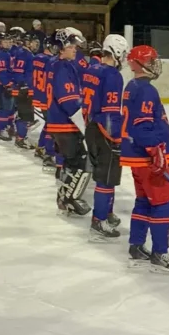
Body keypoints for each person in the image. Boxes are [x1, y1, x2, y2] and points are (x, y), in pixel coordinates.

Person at [120, 45, 169, 273]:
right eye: (152, 60)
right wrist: (155, 151)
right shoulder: (146, 90)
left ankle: (136, 246)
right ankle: (159, 253)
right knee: (164, 202)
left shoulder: (132, 86)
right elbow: (142, 125)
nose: (156, 64)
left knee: (144, 201)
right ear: (141, 63)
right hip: (147, 159)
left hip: (136, 157)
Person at [82, 34, 129, 241]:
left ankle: (106, 214)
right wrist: (116, 138)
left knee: (104, 175)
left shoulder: (92, 68)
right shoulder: (113, 76)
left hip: (91, 127)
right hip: (103, 130)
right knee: (106, 178)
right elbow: (110, 112)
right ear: (117, 52)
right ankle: (99, 220)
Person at [46, 29, 91, 216]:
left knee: (72, 161)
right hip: (64, 124)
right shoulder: (62, 67)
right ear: (61, 49)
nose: (75, 50)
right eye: (71, 46)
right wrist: (84, 124)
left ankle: (65, 196)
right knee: (79, 161)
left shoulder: (59, 64)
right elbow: (68, 100)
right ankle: (69, 198)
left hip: (59, 123)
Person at [32, 32, 60, 166]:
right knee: (51, 127)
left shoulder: (37, 57)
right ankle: (48, 153)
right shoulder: (51, 61)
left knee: (49, 124)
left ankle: (41, 147)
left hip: (39, 95)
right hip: (47, 97)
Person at [11, 33, 38, 149]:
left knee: (25, 114)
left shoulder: (27, 53)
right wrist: (23, 85)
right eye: (33, 42)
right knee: (25, 115)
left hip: (26, 88)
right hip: (23, 89)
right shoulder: (23, 54)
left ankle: (21, 136)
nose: (36, 44)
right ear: (28, 42)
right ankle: (20, 139)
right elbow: (18, 71)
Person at [0, 32, 15, 141]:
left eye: (9, 42)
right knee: (5, 108)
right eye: (5, 41)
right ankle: (1, 130)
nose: (8, 44)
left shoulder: (5, 53)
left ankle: (8, 127)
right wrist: (7, 84)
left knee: (10, 107)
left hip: (3, 84)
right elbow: (1, 72)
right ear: (0, 42)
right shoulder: (1, 54)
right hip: (1, 85)